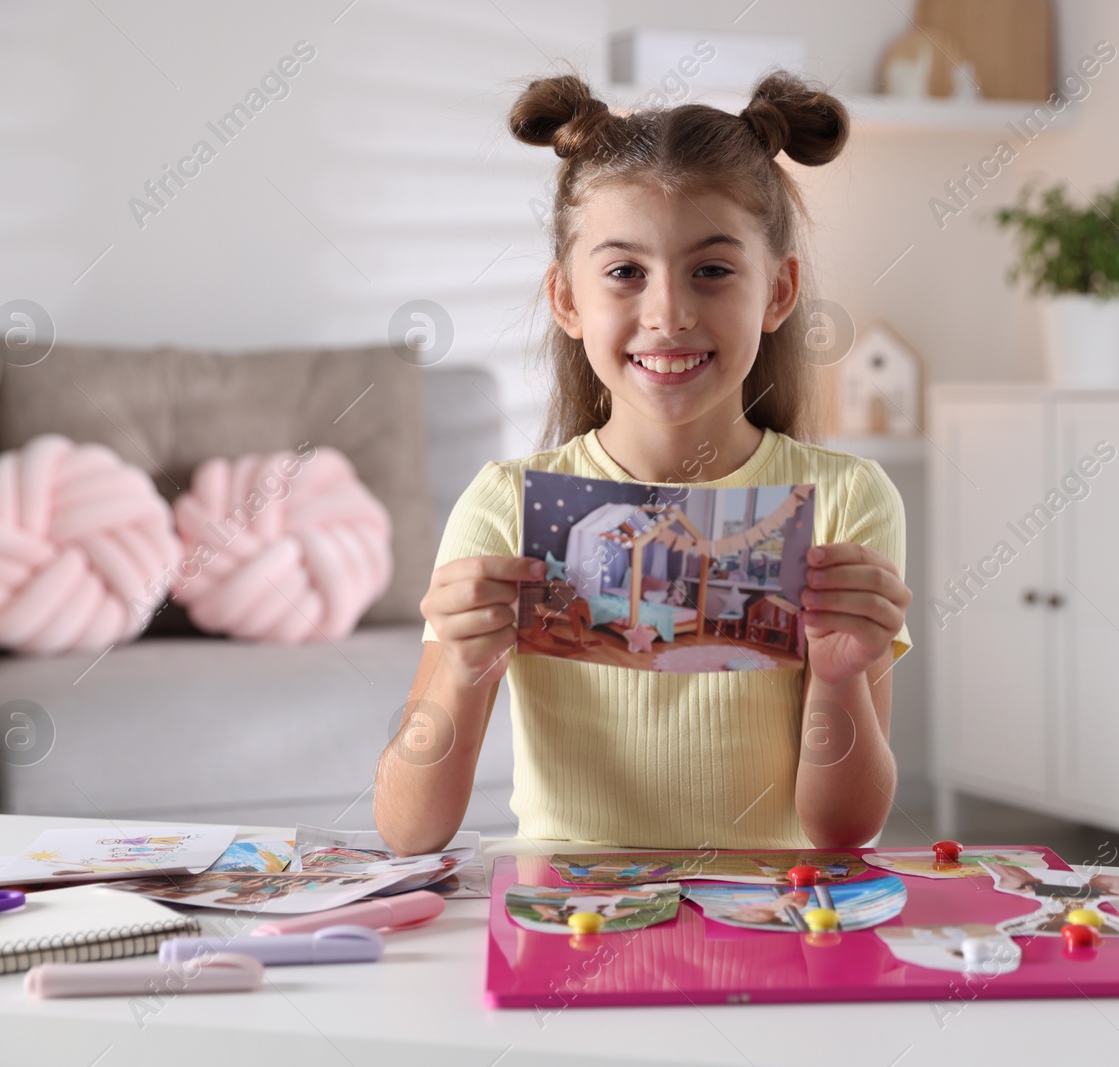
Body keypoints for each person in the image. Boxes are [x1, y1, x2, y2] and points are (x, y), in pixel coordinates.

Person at [374, 67, 913, 855]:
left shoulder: (845, 501)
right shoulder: (502, 506)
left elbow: (845, 829)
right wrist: (459, 663)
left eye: (713, 269)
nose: (668, 312)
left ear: (779, 290)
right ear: (567, 300)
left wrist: (837, 673)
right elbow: (407, 828)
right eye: (625, 271)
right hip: (569, 925)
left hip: (772, 917)